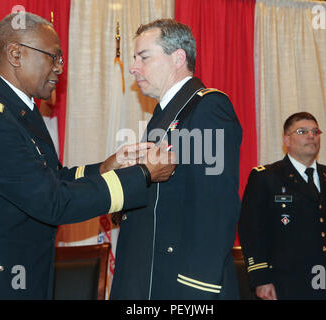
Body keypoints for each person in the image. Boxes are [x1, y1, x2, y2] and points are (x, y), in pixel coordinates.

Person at [0, 12, 175, 299]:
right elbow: (52, 202)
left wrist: (107, 166)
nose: (59, 69)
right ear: (16, 54)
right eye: (53, 57)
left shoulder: (21, 111)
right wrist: (142, 175)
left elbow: (51, 178)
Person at [110, 19, 242, 299]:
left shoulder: (206, 107)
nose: (134, 67)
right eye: (134, 59)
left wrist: (198, 287)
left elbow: (215, 205)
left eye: (143, 57)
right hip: (149, 274)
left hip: (182, 284)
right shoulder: (167, 113)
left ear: (178, 58)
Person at [238, 112, 326, 300]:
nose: (311, 136)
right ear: (287, 139)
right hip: (286, 281)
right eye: (302, 131)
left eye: (315, 131)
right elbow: (251, 231)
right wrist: (261, 279)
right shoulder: (265, 177)